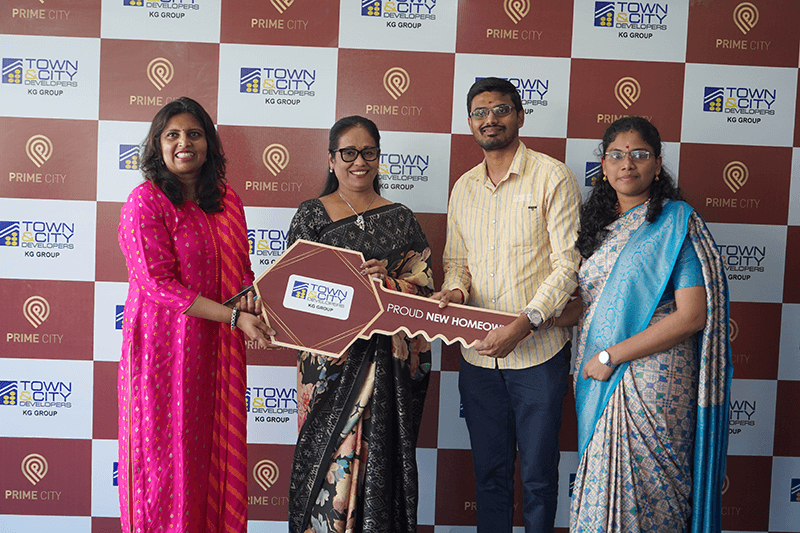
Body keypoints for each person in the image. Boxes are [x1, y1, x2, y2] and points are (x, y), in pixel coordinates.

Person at [566, 116, 732, 532]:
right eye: (616, 155)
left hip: (655, 376)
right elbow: (589, 307)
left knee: (653, 491)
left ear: (658, 165)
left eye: (639, 154)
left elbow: (692, 315)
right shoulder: (598, 231)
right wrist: (529, 321)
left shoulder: (676, 223)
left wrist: (611, 355)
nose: (627, 163)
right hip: (600, 372)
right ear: (604, 167)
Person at [431, 77, 582, 532]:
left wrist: (525, 323)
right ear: (469, 122)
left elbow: (568, 264)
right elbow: (458, 265)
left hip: (539, 355)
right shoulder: (464, 187)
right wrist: (455, 293)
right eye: (480, 112)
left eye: (500, 109)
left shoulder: (552, 176)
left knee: (538, 476)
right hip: (479, 357)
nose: (490, 119)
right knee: (489, 475)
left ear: (520, 116)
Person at [117, 97, 273, 533]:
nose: (184, 143)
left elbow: (241, 271)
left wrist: (252, 302)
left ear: (209, 144)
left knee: (215, 457)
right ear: (157, 145)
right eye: (173, 135)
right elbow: (157, 284)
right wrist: (233, 318)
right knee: (166, 460)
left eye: (194, 134)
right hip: (164, 355)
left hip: (219, 354)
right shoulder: (146, 202)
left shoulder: (227, 201)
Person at [287, 116, 434, 533]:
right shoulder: (311, 215)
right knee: (325, 464)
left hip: (387, 362)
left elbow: (426, 290)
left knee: (379, 465)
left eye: (368, 152)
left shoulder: (401, 218)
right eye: (348, 153)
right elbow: (291, 290)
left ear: (378, 157)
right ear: (331, 159)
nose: (359, 162)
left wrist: (388, 283)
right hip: (329, 363)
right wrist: (342, 286)